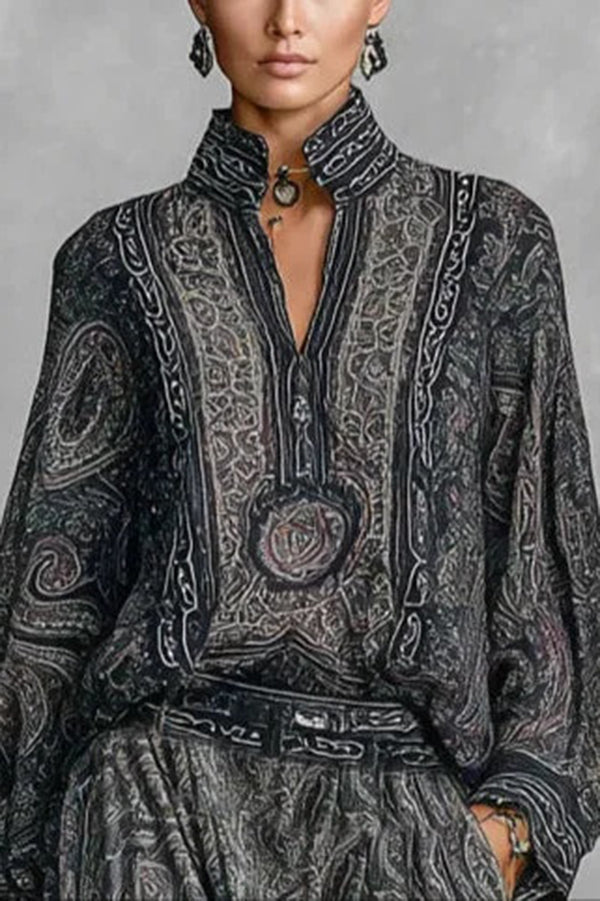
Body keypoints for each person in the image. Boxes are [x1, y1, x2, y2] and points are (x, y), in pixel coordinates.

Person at [0, 0, 599, 898]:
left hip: (413, 833)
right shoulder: (114, 259)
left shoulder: (495, 245)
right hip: (149, 815)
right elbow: (48, 611)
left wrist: (505, 832)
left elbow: (550, 580)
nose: (286, 19)